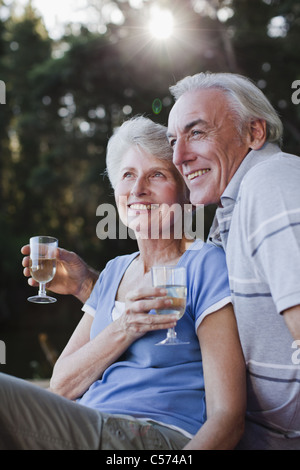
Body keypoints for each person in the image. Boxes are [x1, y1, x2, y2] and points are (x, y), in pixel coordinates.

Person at [3, 116, 246, 450]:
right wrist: (126, 327)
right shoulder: (115, 271)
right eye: (127, 175)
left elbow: (227, 415)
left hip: (156, 437)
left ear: (185, 192)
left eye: (156, 175)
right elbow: (61, 384)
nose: (137, 189)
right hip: (92, 425)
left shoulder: (207, 264)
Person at [167, 72, 300, 450]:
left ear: (254, 133)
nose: (179, 157)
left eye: (196, 133)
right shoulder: (232, 207)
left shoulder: (269, 184)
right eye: (173, 141)